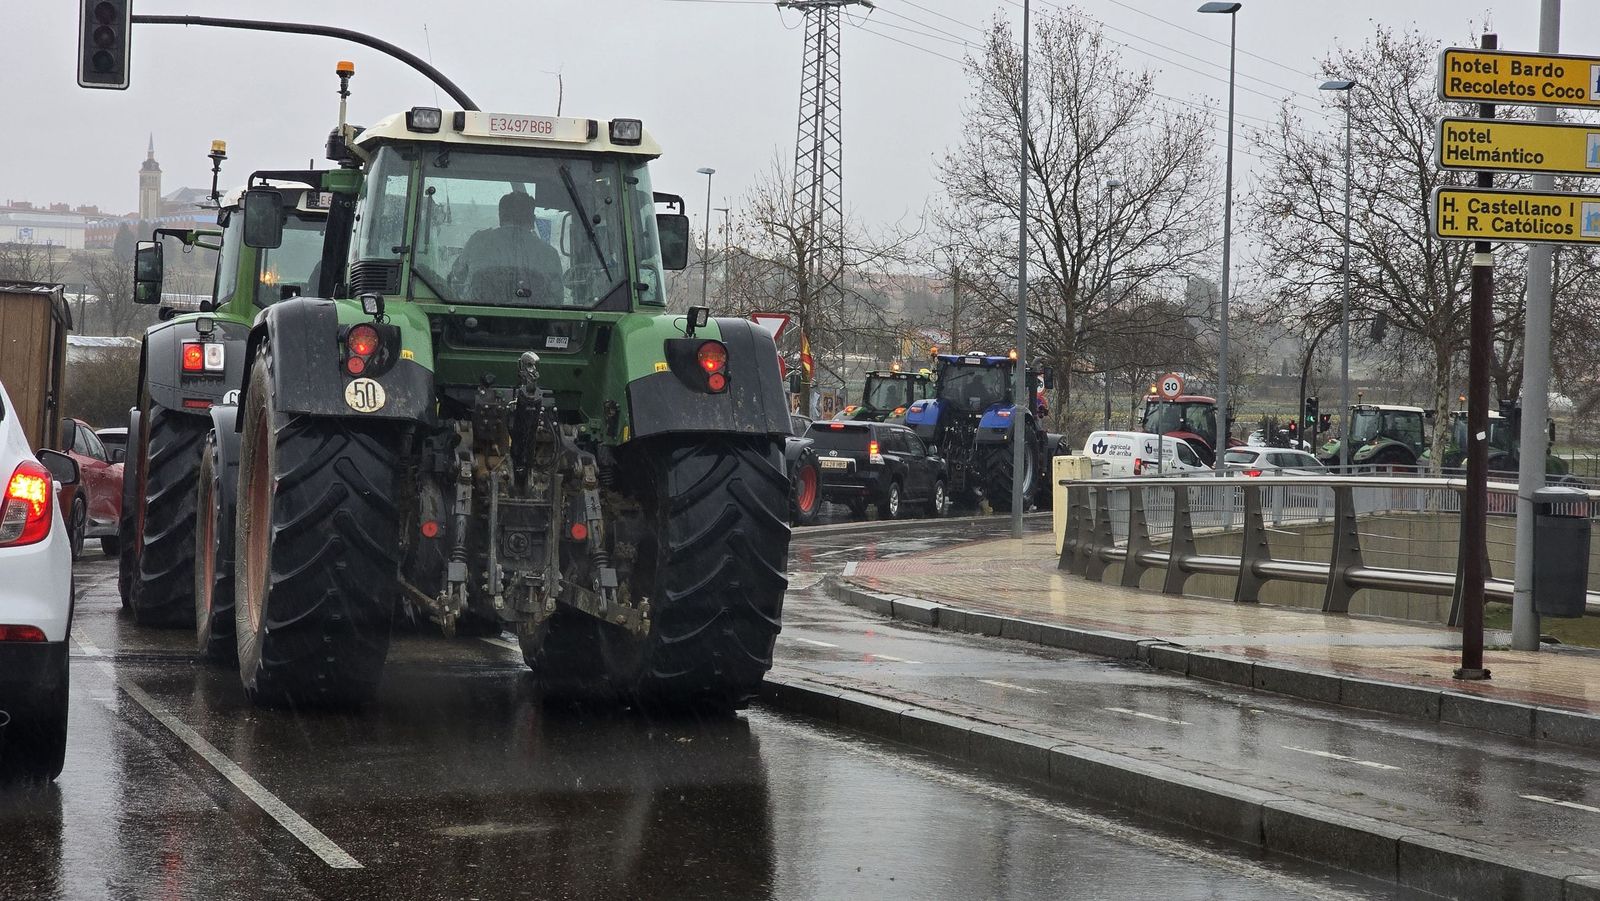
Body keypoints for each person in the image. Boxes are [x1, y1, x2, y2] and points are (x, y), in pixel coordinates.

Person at [448, 190, 562, 303]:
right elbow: (557, 299)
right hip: (534, 319)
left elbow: (457, 277)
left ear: (501, 216)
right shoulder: (549, 253)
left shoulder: (477, 241)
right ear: (532, 219)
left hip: (476, 318)